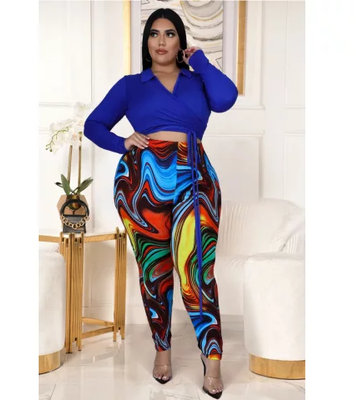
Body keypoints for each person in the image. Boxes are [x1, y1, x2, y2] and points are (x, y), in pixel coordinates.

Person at [84, 8, 238, 399]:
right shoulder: (131, 85)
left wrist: (200, 61)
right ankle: (162, 350)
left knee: (197, 269)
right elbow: (93, 125)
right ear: (146, 41)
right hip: (141, 181)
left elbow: (226, 98)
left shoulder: (197, 80)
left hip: (194, 175)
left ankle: (213, 358)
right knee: (155, 270)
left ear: (180, 41)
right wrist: (122, 142)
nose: (161, 41)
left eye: (170, 34)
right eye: (154, 34)